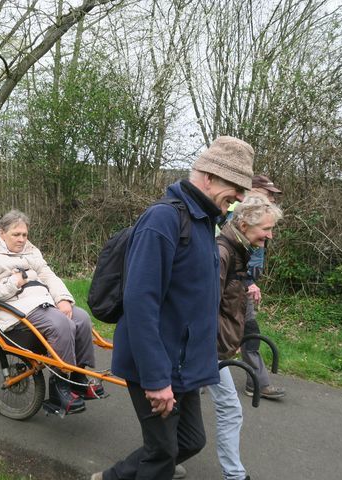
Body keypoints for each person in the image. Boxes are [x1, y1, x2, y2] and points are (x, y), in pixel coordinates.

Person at [92, 135, 254, 480]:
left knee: (190, 440)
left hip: (184, 365)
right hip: (156, 363)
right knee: (163, 455)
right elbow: (140, 303)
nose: (240, 197)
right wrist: (155, 379)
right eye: (236, 186)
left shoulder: (204, 222)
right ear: (209, 177)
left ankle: (111, 478)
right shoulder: (163, 220)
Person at [0, 209, 103, 414]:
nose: (21, 239)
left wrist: (63, 299)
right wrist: (13, 283)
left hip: (43, 301)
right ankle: (59, 386)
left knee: (82, 319)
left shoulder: (31, 251)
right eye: (16, 235)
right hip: (13, 307)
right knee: (62, 324)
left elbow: (48, 275)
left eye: (24, 235)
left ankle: (78, 377)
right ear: (2, 233)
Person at [209, 195, 283, 480]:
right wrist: (212, 350)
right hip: (206, 348)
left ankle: (166, 457)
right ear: (243, 223)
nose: (270, 234)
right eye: (266, 228)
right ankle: (235, 476)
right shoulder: (223, 252)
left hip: (212, 347)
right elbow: (205, 309)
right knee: (229, 407)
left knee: (182, 407)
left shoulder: (238, 249)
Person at [241, 175, 286, 399]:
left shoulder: (262, 215)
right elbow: (226, 254)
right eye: (267, 192)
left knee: (244, 331)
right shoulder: (238, 213)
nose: (271, 197)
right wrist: (248, 281)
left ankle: (255, 382)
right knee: (247, 330)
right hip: (236, 282)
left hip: (246, 279)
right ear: (253, 189)